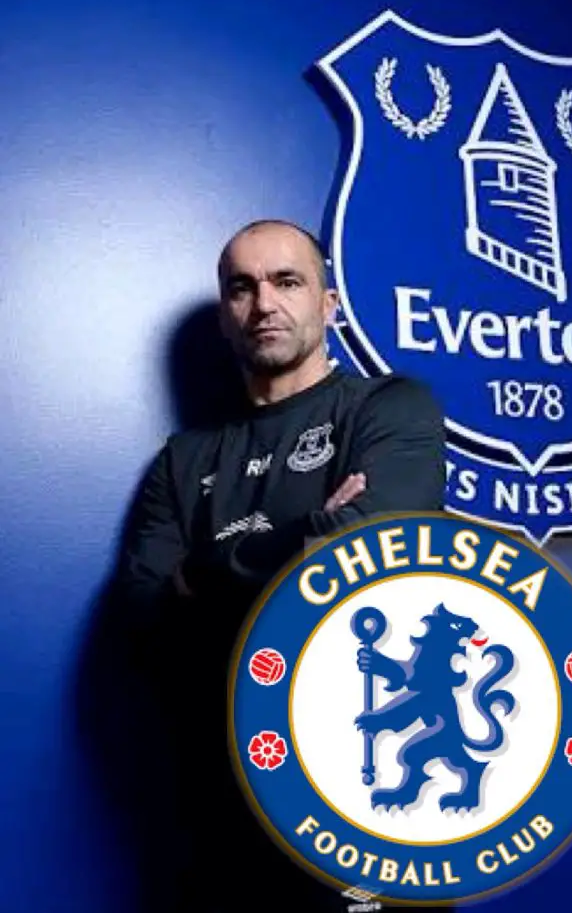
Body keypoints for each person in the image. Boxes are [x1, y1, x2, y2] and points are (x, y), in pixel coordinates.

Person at [116, 219, 446, 913]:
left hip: (372, 787)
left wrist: (202, 574)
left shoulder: (388, 407)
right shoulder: (183, 459)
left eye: (287, 281)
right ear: (225, 316)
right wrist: (311, 534)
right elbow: (146, 619)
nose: (264, 303)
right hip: (228, 802)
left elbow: (371, 551)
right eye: (242, 288)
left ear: (328, 304)